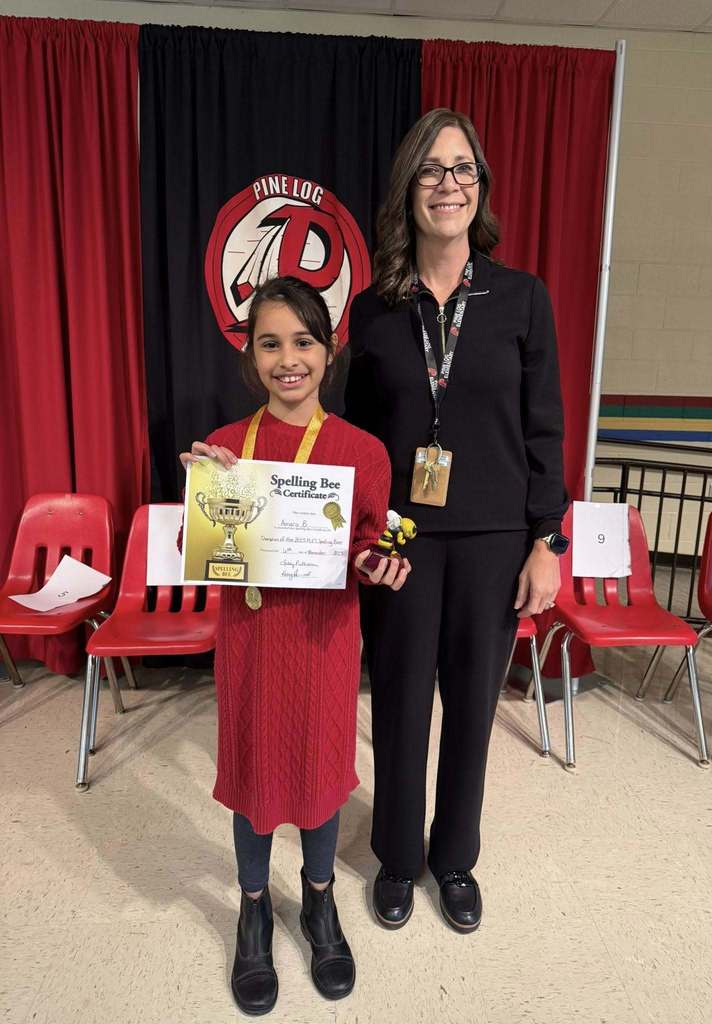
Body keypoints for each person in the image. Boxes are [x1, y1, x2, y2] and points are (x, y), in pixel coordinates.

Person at [345, 108, 569, 934]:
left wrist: (548, 540)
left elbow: (544, 425)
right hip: (402, 536)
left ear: (480, 188)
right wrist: (363, 538)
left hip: (491, 536)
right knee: (401, 701)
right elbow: (357, 439)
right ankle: (398, 858)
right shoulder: (375, 310)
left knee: (472, 707)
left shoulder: (520, 298)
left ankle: (455, 859)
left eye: (463, 169)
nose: (449, 183)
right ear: (410, 188)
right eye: (433, 170)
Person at [180, 276, 409, 1015]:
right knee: (252, 771)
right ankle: (253, 909)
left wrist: (378, 562)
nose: (288, 360)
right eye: (270, 343)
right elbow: (199, 547)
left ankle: (317, 903)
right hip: (250, 644)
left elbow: (370, 541)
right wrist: (204, 501)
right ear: (250, 355)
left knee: (317, 772)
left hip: (321, 646)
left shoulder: (361, 451)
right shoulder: (224, 448)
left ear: (329, 349)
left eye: (303, 342)